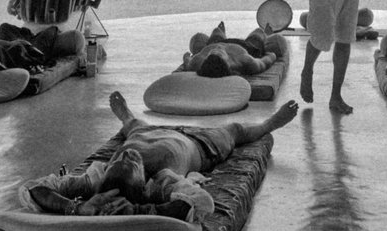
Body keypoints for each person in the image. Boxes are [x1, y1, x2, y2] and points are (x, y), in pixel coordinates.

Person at [23, 91, 299, 220]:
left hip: (144, 131)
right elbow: (200, 203)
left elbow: (33, 189)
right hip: (200, 144)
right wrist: (140, 211)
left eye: (117, 158)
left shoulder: (93, 179)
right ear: (142, 178)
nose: (124, 156)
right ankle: (269, 124)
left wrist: (74, 207)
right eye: (129, 162)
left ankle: (126, 116)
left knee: (132, 130)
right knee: (236, 129)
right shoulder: (162, 182)